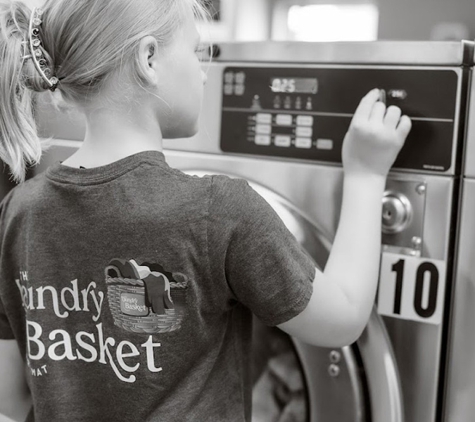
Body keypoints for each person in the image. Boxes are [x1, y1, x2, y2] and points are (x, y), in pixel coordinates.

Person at [0, 0, 412, 421]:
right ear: (148, 59)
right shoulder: (220, 211)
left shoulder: (19, 211)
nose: (202, 71)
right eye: (197, 51)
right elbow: (342, 318)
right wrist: (365, 173)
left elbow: (12, 398)